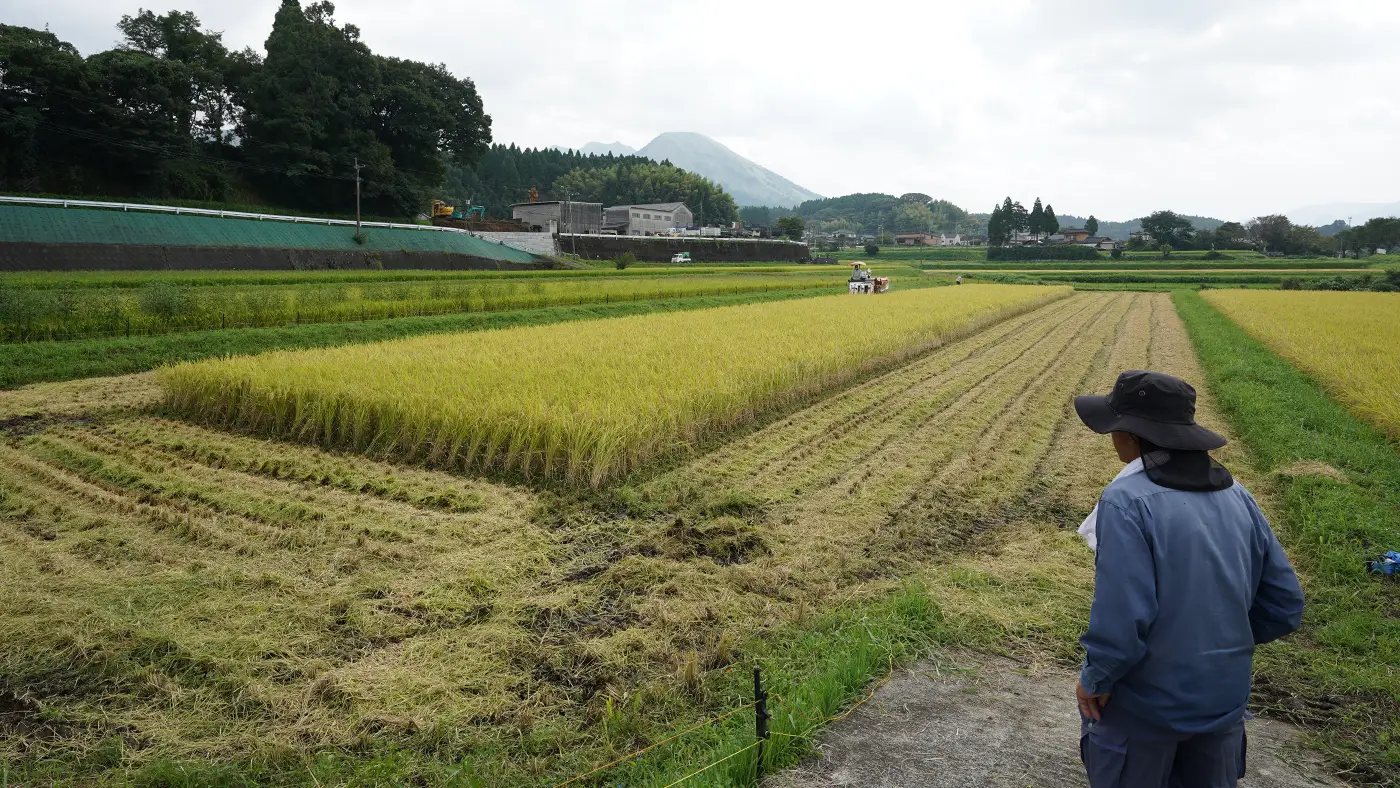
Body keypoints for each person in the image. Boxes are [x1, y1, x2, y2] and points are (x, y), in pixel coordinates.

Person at [1072, 370, 1305, 788]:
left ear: (1132, 436)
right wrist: (1217, 646)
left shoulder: (1125, 502)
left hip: (1146, 707)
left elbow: (1123, 618)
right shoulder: (1238, 495)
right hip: (1224, 699)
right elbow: (1285, 604)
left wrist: (1096, 677)